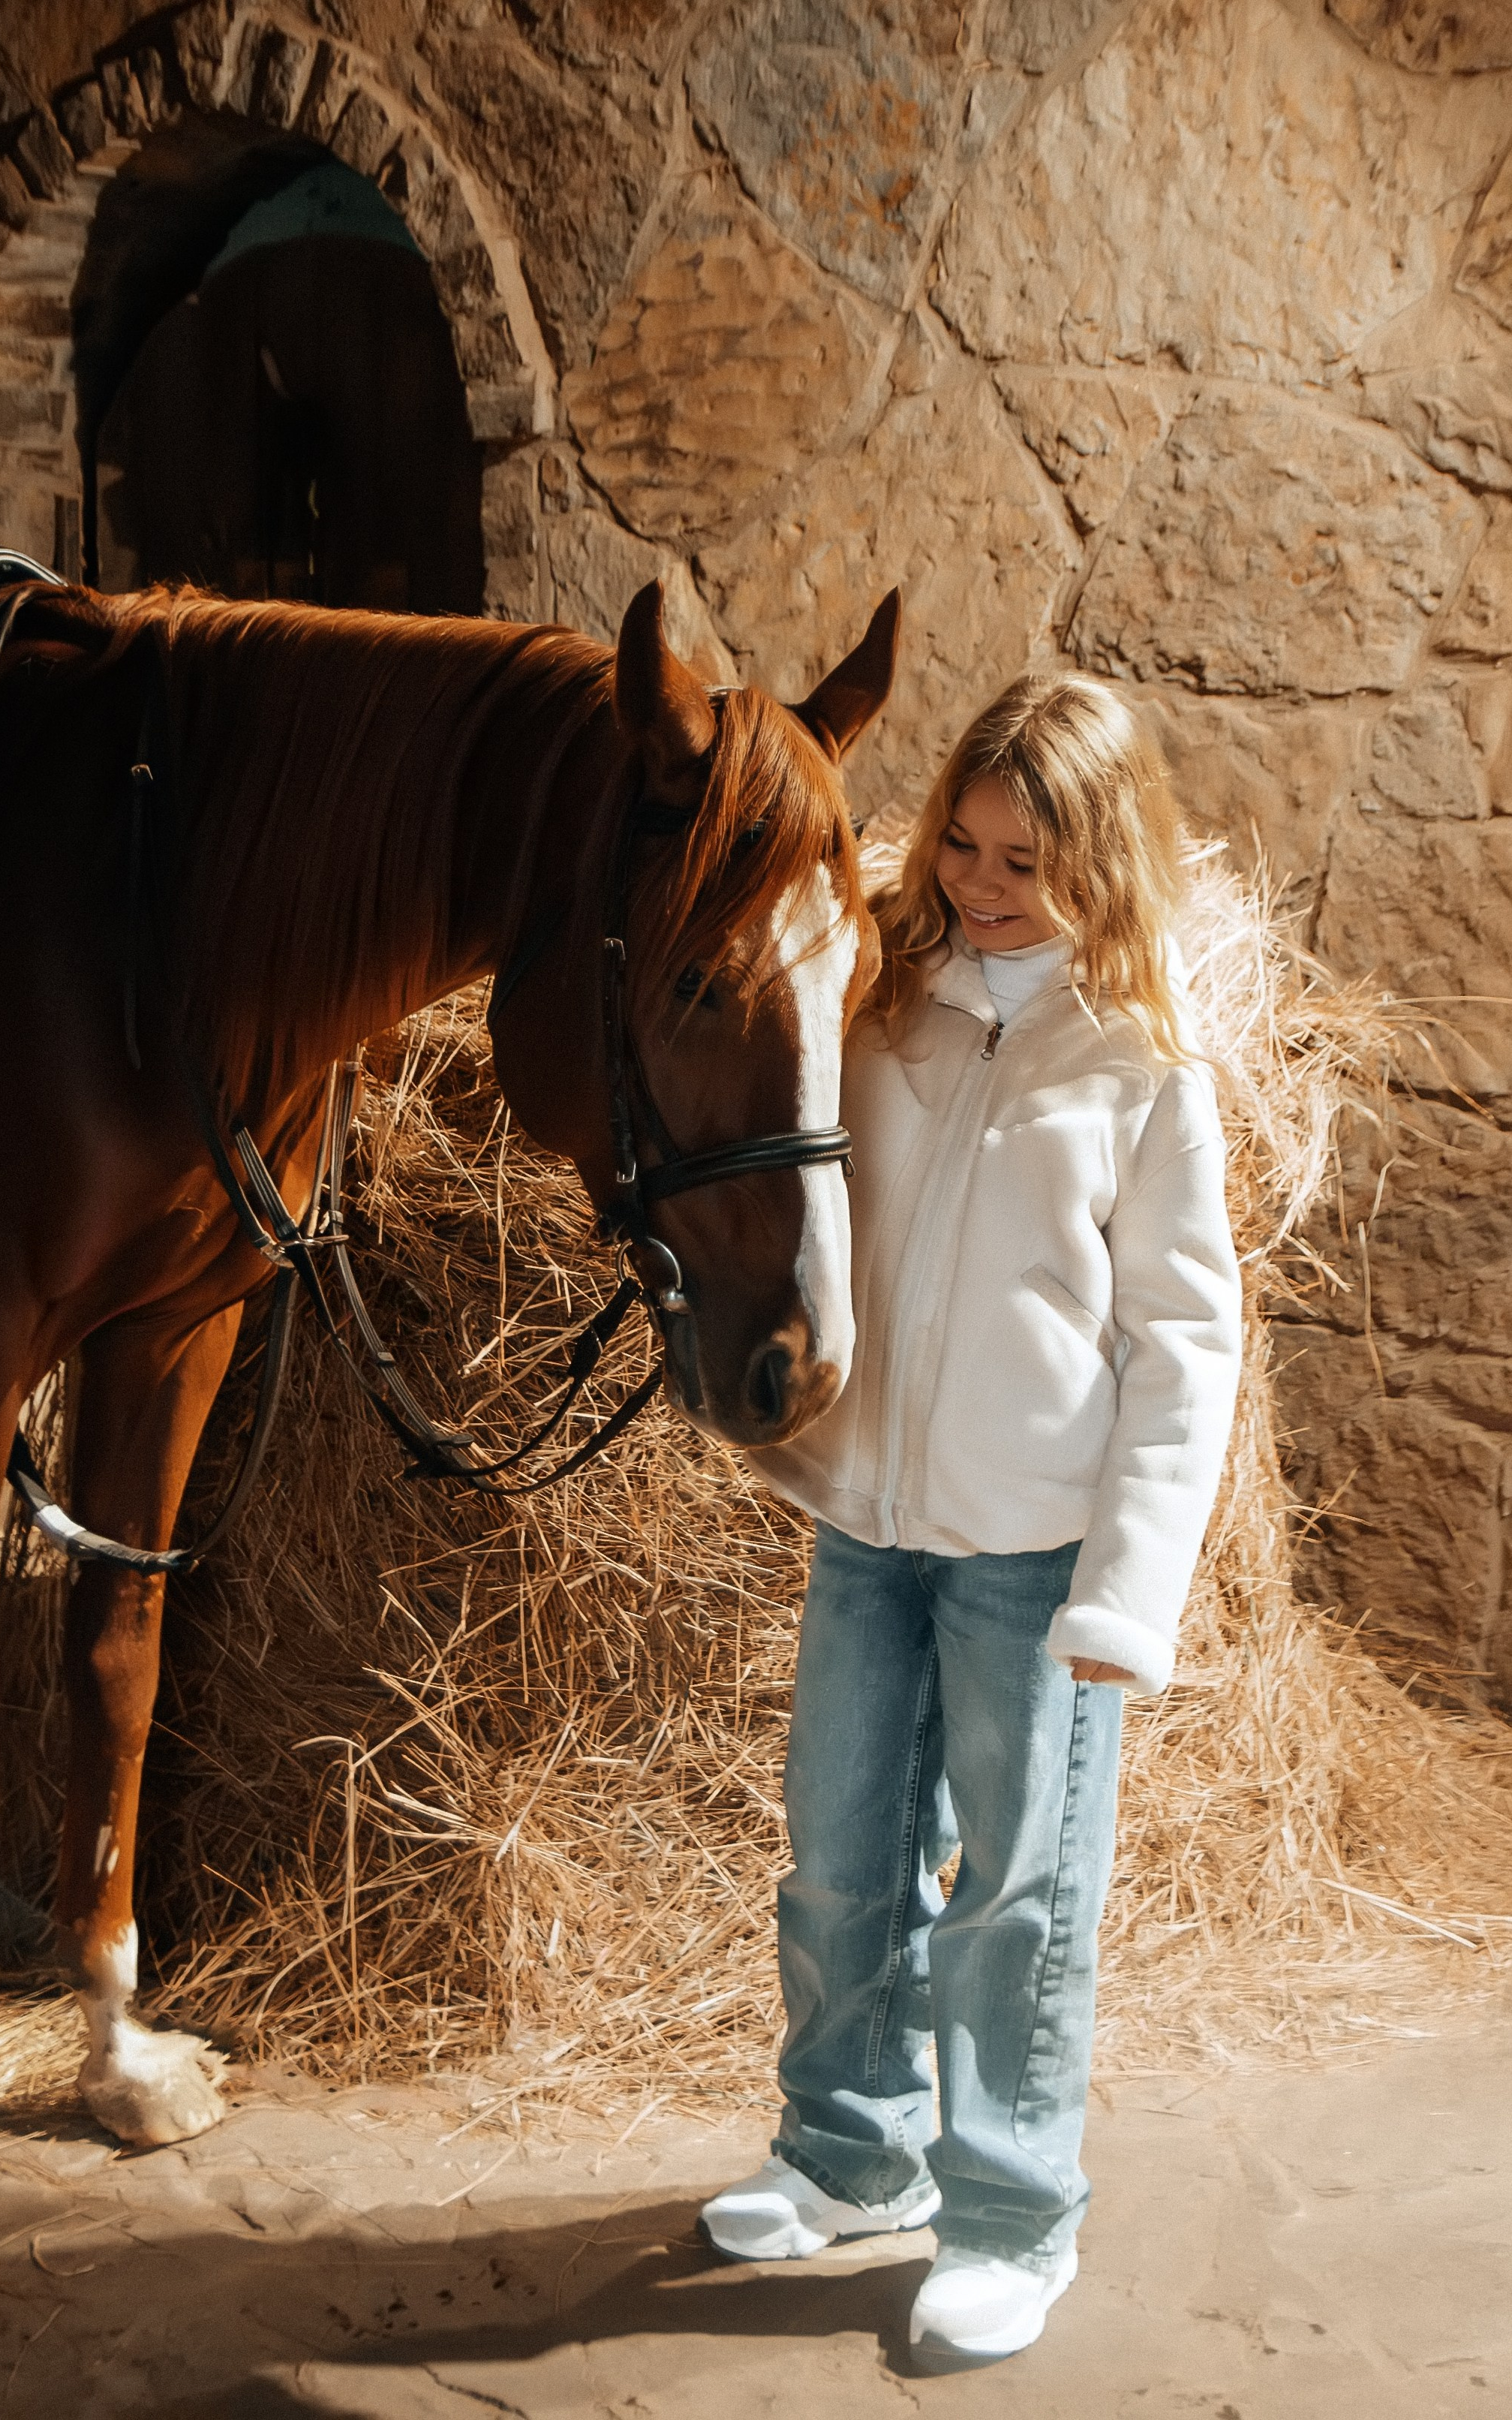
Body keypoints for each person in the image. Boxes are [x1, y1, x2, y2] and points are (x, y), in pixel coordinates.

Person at [699, 672, 1243, 2372]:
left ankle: (1010, 2213)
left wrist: (1125, 1590)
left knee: (1017, 1887)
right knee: (839, 1849)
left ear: (1098, 863)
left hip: (1036, 1553)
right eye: (963, 841)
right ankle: (851, 2150)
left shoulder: (1142, 1068)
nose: (979, 881)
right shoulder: (879, 1000)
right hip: (872, 1520)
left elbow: (1185, 1344)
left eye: (1023, 858)